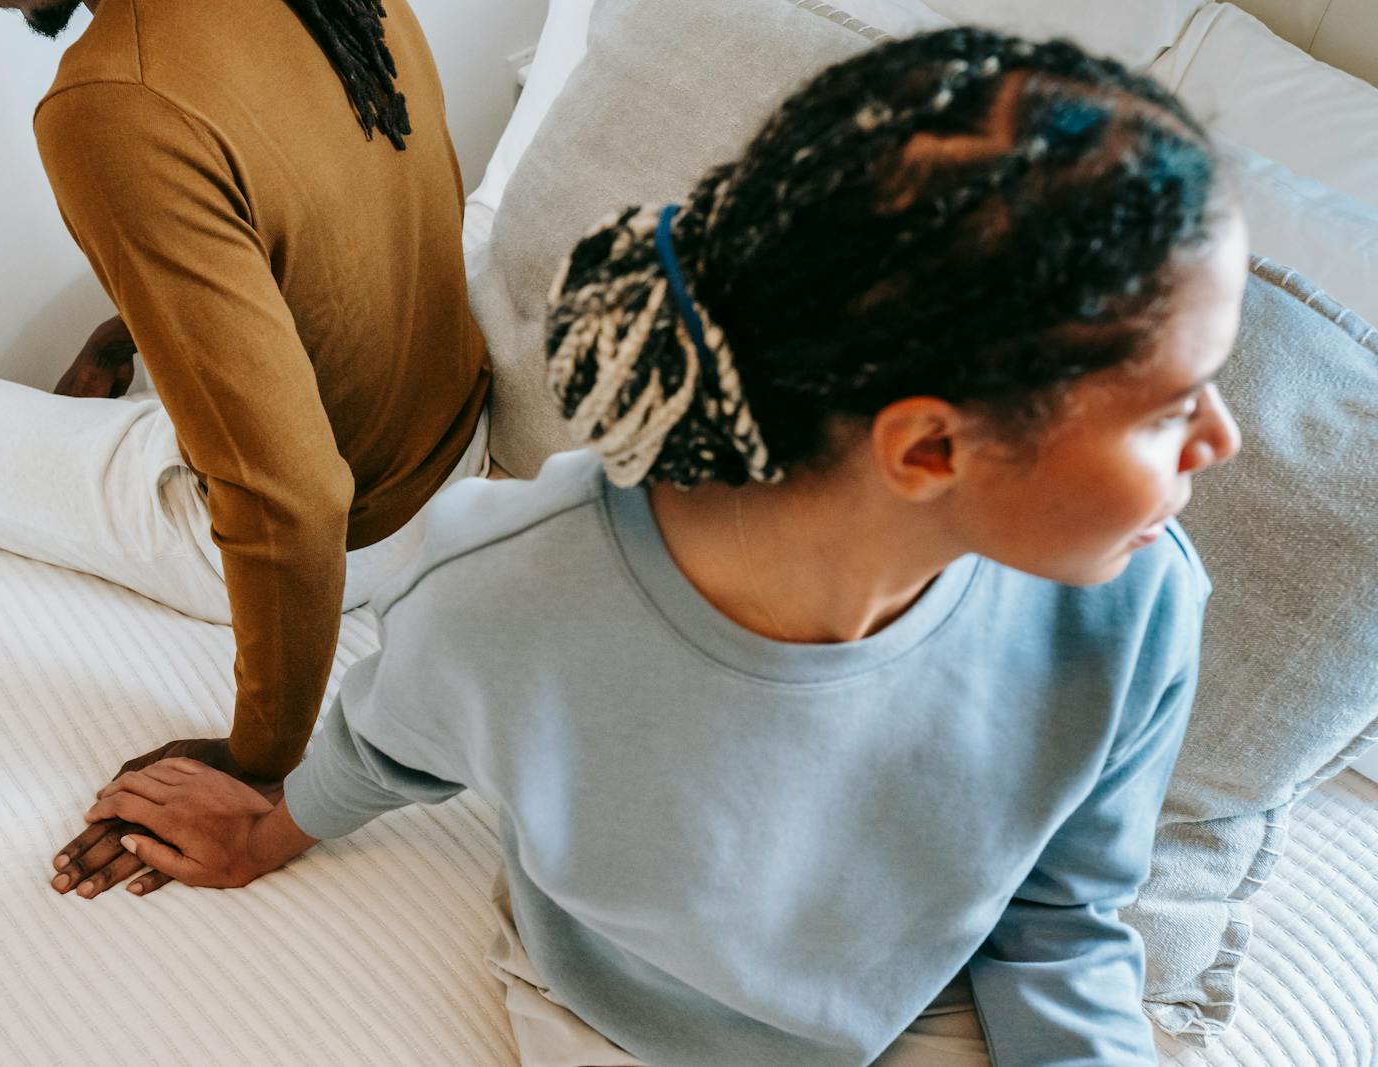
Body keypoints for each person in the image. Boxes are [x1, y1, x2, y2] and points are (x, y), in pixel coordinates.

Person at [66, 27, 1245, 1066]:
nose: (1223, 438)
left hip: (924, 1013)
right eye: (1168, 406)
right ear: (928, 447)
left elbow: (1060, 918)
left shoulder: (1137, 607)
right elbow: (392, 736)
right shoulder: (511, 588)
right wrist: (268, 823)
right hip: (619, 1020)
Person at [0, 0, 490, 899]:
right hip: (460, 446)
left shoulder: (109, 97)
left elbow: (291, 494)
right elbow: (316, 217)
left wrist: (260, 757)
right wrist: (137, 326)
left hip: (342, 538)